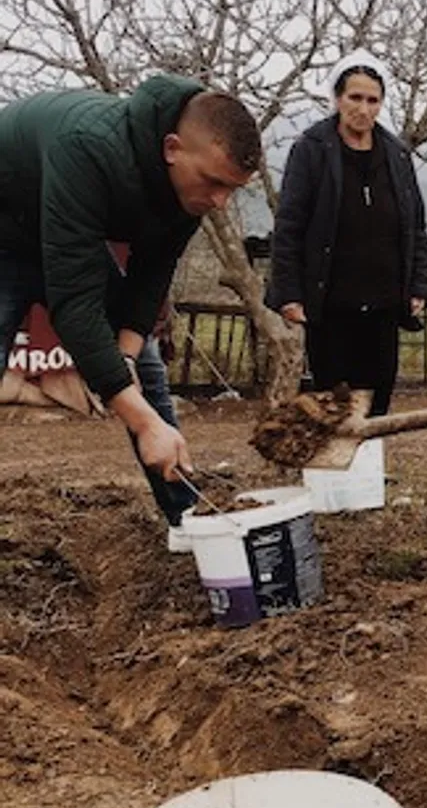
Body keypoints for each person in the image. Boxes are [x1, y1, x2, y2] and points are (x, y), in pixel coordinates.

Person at [0, 75, 261, 521]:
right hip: (6, 226)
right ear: (172, 149)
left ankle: (188, 518)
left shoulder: (191, 191)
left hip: (56, 234)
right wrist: (141, 421)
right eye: (214, 183)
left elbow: (149, 280)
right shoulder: (89, 149)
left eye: (231, 189)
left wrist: (125, 355)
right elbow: (75, 307)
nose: (220, 202)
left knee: (144, 365)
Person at [267, 51, 427, 415]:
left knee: (378, 396)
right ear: (337, 99)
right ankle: (337, 472)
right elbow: (289, 227)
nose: (363, 108)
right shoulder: (311, 151)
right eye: (355, 97)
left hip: (384, 303)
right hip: (331, 306)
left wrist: (419, 284)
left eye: (373, 100)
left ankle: (369, 472)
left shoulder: (397, 155)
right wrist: (289, 294)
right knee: (334, 401)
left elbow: (415, 227)